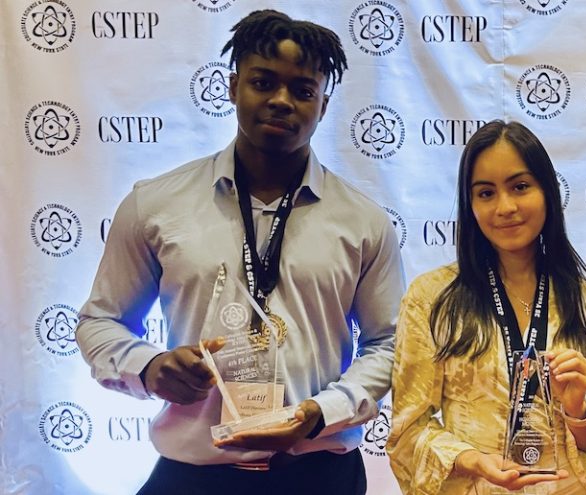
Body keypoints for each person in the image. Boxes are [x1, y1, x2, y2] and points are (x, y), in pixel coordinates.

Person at [75, 10, 403, 494]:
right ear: (232, 87)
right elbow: (99, 322)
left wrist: (320, 413)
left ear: (324, 105)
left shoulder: (364, 222)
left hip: (320, 477)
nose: (281, 101)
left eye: (303, 90)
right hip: (194, 476)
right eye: (263, 82)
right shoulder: (155, 204)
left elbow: (390, 344)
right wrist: (149, 367)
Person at [387, 120, 586, 494]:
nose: (505, 207)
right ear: (470, 203)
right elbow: (407, 432)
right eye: (486, 193)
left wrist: (578, 411)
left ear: (547, 192)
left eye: (520, 186)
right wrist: (471, 459)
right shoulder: (431, 298)